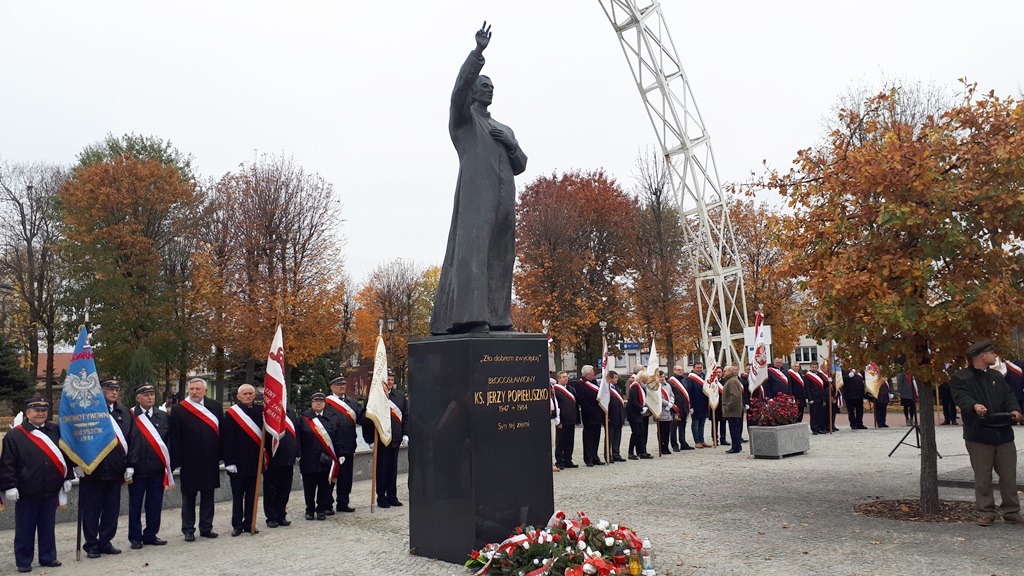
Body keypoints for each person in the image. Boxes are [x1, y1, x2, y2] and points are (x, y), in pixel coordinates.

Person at [430, 22, 528, 335]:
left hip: (504, 204)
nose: (489, 89)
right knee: (472, 253)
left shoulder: (504, 129)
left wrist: (511, 143)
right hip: (476, 199)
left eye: (491, 87)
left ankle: (499, 317)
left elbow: (521, 164)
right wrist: (478, 54)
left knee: (502, 257)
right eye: (484, 86)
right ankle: (470, 318)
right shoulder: (465, 122)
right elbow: (456, 92)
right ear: (474, 91)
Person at [949, 339, 1024, 526]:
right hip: (979, 434)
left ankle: (1012, 512)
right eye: (992, 353)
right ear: (982, 355)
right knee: (983, 476)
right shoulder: (961, 377)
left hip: (1003, 433)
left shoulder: (997, 376)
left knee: (1008, 475)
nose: (995, 355)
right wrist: (974, 406)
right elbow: (961, 397)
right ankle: (986, 512)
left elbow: (1008, 395)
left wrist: (1015, 410)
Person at [0, 397, 72, 573]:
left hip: (51, 488)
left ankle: (48, 557)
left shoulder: (55, 430)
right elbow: (7, 463)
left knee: (48, 525)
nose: (40, 413)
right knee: (25, 527)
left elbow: (66, 454)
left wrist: (68, 476)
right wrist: (10, 485)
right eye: (36, 410)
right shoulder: (15, 435)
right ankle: (24, 560)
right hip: (27, 489)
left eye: (44, 410)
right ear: (28, 413)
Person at [80, 377, 138, 558]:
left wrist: (131, 465)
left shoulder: (125, 413)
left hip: (115, 469)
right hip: (93, 470)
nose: (114, 392)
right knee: (91, 510)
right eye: (109, 388)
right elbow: (77, 438)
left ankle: (105, 541)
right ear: (99, 390)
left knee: (112, 509)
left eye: (117, 389)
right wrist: (76, 464)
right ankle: (91, 544)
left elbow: (133, 440)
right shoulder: (87, 412)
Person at [169, 377, 223, 541]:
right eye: (191, 389)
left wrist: (222, 457)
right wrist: (176, 462)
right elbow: (175, 437)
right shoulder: (179, 409)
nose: (194, 392)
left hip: (210, 459)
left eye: (197, 389)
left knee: (208, 495)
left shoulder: (215, 406)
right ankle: (188, 529)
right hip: (189, 461)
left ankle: (206, 527)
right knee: (189, 497)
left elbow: (222, 433)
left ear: (205, 391)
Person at [128, 383, 171, 549]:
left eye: (152, 394)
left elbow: (168, 441)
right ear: (138, 398)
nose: (150, 397)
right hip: (138, 470)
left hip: (157, 469)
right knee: (135, 505)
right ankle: (135, 537)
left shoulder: (163, 416)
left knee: (155, 504)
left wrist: (169, 464)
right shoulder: (130, 415)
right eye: (146, 395)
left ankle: (151, 534)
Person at [221, 384, 263, 536]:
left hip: (255, 462)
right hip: (238, 463)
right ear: (238, 396)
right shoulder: (232, 414)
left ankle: (250, 523)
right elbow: (227, 439)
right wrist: (229, 462)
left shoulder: (260, 411)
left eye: (250, 393)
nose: (248, 396)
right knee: (238, 496)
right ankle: (237, 525)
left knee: (252, 496)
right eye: (244, 394)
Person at [362, 373, 407, 508]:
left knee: (393, 470)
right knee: (382, 469)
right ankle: (381, 497)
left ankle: (392, 496)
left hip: (395, 439)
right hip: (381, 439)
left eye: (392, 379)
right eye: (388, 379)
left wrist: (405, 434)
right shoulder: (374, 397)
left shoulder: (399, 396)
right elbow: (367, 420)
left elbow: (406, 416)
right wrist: (370, 440)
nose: (390, 382)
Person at [298, 392, 340, 520]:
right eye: (316, 401)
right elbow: (298, 439)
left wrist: (340, 454)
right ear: (312, 403)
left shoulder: (331, 418)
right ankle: (309, 510)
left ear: (325, 403)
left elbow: (338, 438)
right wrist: (298, 454)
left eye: (321, 401)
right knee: (309, 487)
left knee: (324, 486)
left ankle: (321, 509)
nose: (318, 403)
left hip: (325, 459)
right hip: (308, 458)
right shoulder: (303, 419)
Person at [324, 376, 361, 513]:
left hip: (348, 445)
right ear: (332, 387)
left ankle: (343, 502)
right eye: (339, 385)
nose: (342, 387)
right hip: (332, 446)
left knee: (346, 477)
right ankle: (327, 504)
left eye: (344, 385)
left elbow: (362, 418)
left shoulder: (352, 402)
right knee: (330, 476)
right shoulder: (327, 402)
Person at [263, 406, 299, 528]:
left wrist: (297, 453)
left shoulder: (291, 413)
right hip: (272, 457)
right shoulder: (267, 413)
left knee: (285, 489)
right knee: (270, 490)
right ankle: (271, 517)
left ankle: (281, 515)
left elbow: (295, 433)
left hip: (288, 458)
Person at [575, 365, 605, 466]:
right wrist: (591, 410)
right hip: (588, 414)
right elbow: (581, 400)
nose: (594, 373)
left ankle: (595, 456)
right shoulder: (580, 384)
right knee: (588, 437)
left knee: (596, 436)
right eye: (592, 372)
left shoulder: (594, 382)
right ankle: (588, 458)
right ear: (587, 374)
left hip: (597, 414)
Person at [552, 371, 578, 468]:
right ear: (558, 379)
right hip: (562, 420)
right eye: (563, 377)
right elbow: (556, 405)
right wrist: (558, 420)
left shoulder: (571, 389)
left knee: (570, 441)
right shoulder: (555, 390)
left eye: (567, 377)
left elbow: (575, 404)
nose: (566, 378)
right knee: (560, 441)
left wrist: (577, 419)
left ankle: (568, 459)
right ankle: (560, 461)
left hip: (571, 419)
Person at [626, 370, 653, 459]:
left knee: (642, 432)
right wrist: (641, 408)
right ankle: (630, 452)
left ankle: (642, 451)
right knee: (635, 432)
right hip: (633, 413)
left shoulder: (641, 387)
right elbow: (633, 401)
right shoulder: (634, 387)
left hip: (638, 412)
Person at [667, 365, 693, 450]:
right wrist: (672, 406)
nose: (680, 371)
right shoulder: (670, 381)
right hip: (675, 408)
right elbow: (669, 395)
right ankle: (674, 445)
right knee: (673, 427)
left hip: (684, 407)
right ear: (674, 370)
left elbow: (687, 394)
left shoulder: (684, 380)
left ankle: (683, 443)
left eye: (681, 370)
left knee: (682, 427)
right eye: (678, 370)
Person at [686, 364, 711, 448]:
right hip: (695, 405)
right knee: (695, 424)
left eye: (701, 368)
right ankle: (697, 441)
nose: (699, 369)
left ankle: (702, 440)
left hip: (704, 404)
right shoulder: (690, 379)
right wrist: (691, 406)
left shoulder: (704, 377)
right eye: (697, 368)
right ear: (693, 368)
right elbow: (689, 393)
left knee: (702, 423)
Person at [721, 366, 744, 454]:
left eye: (725, 371)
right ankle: (737, 445)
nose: (723, 372)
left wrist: (728, 406)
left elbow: (734, 396)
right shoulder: (732, 380)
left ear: (730, 371)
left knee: (734, 428)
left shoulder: (731, 381)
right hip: (734, 409)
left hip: (733, 410)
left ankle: (735, 447)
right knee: (735, 428)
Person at [606, 371, 626, 462]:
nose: (617, 379)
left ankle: (616, 454)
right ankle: (608, 455)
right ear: (610, 378)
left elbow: (620, 401)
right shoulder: (606, 389)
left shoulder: (617, 388)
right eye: (615, 377)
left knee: (617, 436)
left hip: (619, 415)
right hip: (611, 416)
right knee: (610, 436)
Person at [805, 362, 829, 434]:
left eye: (815, 367)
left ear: (817, 367)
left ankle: (820, 428)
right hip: (813, 397)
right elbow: (807, 388)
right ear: (810, 367)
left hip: (820, 397)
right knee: (814, 414)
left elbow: (824, 385)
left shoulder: (820, 375)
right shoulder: (807, 376)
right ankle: (814, 428)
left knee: (820, 413)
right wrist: (810, 398)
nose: (814, 368)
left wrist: (829, 381)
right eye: (813, 367)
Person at [548, 376, 561, 471]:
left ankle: (552, 463)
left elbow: (554, 401)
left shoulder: (551, 386)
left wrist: (557, 415)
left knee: (553, 442)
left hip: (552, 416)